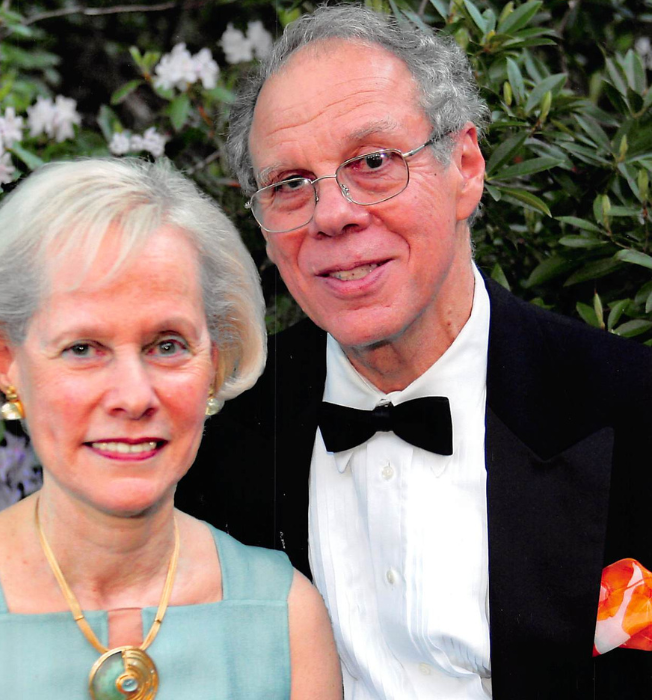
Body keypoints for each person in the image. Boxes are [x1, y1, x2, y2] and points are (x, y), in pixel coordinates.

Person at [177, 5, 652, 699]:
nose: (332, 213)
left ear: (464, 166)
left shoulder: (630, 409)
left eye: (372, 162)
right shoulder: (214, 437)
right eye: (289, 185)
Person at [0, 158, 343, 700]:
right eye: (82, 349)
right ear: (6, 361)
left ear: (214, 361)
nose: (133, 396)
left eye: (167, 345)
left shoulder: (285, 616)